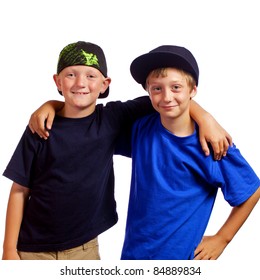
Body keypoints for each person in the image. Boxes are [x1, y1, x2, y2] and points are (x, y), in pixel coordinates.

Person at [2, 41, 231, 260]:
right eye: (71, 74)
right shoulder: (41, 127)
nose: (81, 83)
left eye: (91, 75)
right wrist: (9, 250)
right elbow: (19, 189)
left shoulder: (112, 119)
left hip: (84, 248)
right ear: (58, 82)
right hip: (31, 248)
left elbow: (165, 100)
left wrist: (206, 118)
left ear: (105, 84)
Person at [119, 45, 260, 260]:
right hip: (133, 257)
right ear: (148, 90)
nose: (166, 97)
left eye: (176, 87)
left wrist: (223, 238)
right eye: (157, 88)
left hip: (181, 261)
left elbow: (251, 190)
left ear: (193, 90)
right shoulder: (141, 129)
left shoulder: (213, 145)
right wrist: (54, 105)